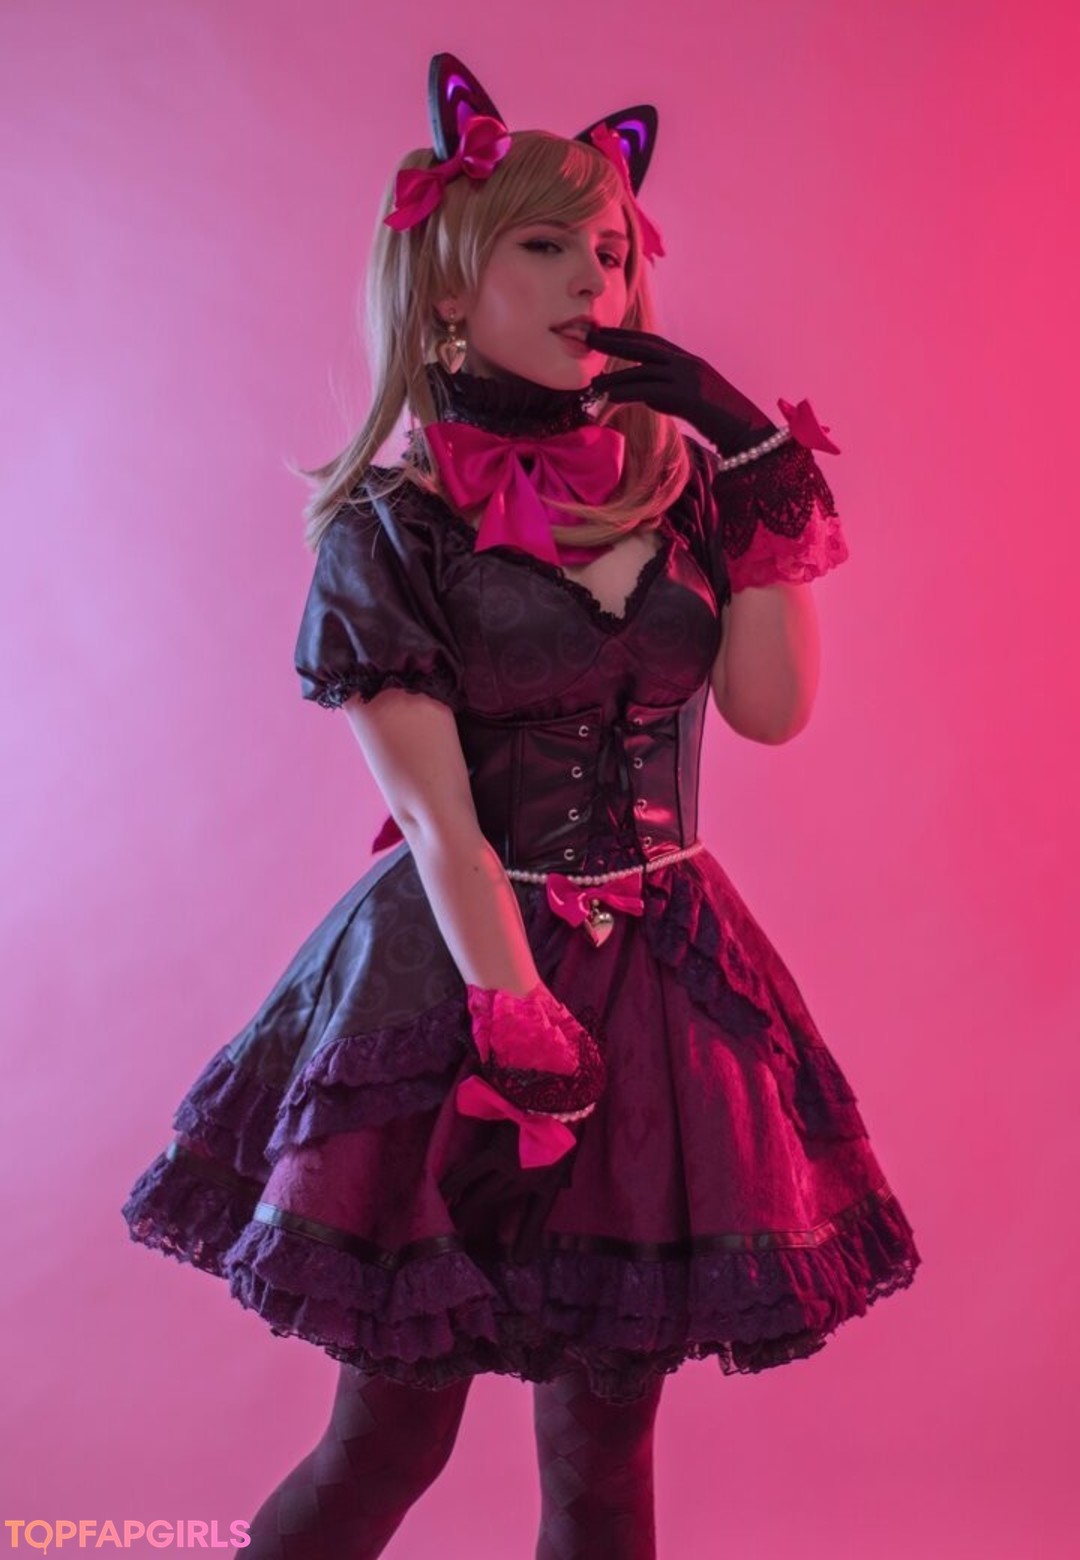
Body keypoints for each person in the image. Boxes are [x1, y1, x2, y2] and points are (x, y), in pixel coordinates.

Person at [121, 53, 921, 1560]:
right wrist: (516, 1016)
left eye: (609, 251)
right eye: (545, 247)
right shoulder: (392, 523)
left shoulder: (685, 494)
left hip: (668, 973)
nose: (591, 283)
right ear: (445, 286)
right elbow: (437, 821)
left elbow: (768, 710)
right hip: (459, 974)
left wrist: (754, 455)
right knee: (386, 1444)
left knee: (606, 1454)